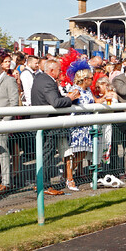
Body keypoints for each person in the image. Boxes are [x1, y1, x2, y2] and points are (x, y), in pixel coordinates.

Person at [31, 59, 79, 196]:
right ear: (52, 71)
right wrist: (70, 98)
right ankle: (44, 184)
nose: (60, 72)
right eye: (59, 70)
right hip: (47, 124)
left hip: (42, 122)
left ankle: (39, 183)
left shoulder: (40, 78)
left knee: (44, 155)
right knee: (46, 155)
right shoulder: (47, 81)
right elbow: (56, 102)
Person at [0, 54, 20, 193]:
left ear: (1, 65)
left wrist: (5, 122)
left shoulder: (9, 80)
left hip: (1, 122)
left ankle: (6, 181)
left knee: (3, 152)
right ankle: (3, 179)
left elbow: (14, 103)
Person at [64, 62, 95, 191]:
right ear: (85, 79)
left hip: (86, 126)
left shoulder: (87, 90)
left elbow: (95, 101)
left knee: (83, 152)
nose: (93, 81)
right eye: (91, 78)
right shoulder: (75, 89)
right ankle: (69, 178)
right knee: (73, 153)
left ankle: (67, 175)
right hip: (76, 126)